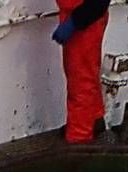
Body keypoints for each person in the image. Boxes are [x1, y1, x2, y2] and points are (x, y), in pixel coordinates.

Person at [51, 0, 109, 144]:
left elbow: (98, 4)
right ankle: (94, 120)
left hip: (84, 23)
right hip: (77, 17)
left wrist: (74, 22)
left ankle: (79, 138)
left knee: (81, 83)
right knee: (84, 73)